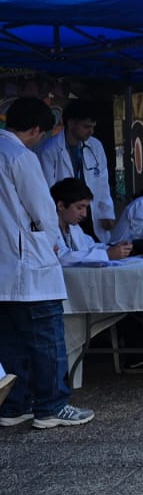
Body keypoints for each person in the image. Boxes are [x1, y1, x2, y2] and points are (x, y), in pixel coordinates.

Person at [0, 98, 93, 429]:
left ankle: (14, 404)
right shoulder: (20, 157)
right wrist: (53, 241)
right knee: (47, 338)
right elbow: (42, 209)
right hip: (30, 263)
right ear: (36, 129)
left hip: (4, 267)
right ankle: (52, 404)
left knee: (10, 340)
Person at [37, 99, 116, 233]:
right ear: (71, 123)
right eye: (86, 127)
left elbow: (102, 182)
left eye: (93, 127)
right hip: (65, 215)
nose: (91, 131)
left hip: (90, 214)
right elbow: (47, 190)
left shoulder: (95, 146)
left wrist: (106, 212)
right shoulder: (49, 150)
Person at [51, 178, 134, 265]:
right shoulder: (47, 229)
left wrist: (115, 248)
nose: (84, 214)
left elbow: (90, 246)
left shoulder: (74, 228)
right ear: (61, 206)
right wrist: (107, 254)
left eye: (86, 208)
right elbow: (62, 257)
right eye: (79, 207)